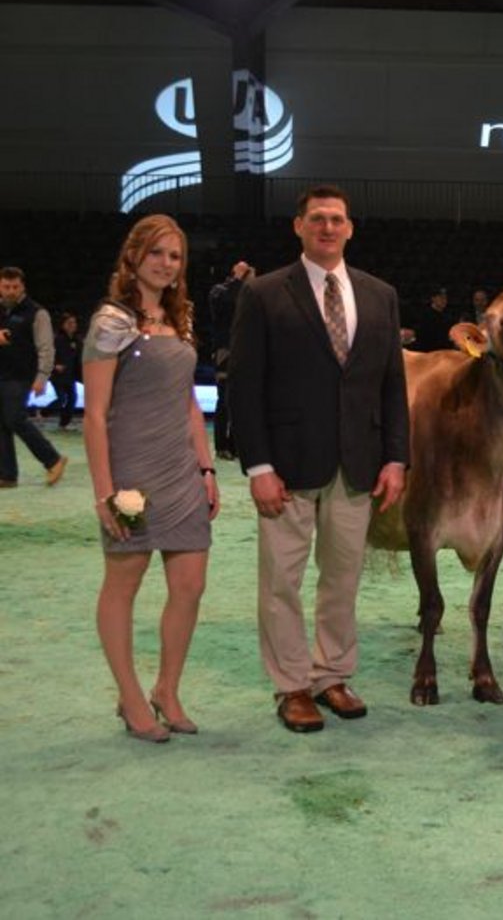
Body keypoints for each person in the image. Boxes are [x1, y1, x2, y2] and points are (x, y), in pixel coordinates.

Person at [229, 184, 409, 734]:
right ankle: (291, 687)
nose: (328, 228)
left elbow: (391, 388)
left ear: (350, 228)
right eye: (318, 219)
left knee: (342, 579)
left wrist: (396, 458)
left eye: (337, 219)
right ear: (299, 226)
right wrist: (258, 466)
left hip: (357, 464)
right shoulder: (263, 294)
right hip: (285, 467)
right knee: (281, 581)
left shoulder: (380, 295)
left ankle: (331, 674)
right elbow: (244, 385)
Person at [83, 215, 220, 742]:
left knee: (190, 585)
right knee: (124, 583)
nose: (167, 264)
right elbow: (95, 415)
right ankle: (132, 697)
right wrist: (104, 492)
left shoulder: (178, 318)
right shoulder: (111, 322)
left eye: (176, 256)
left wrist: (206, 468)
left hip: (182, 474)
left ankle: (167, 688)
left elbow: (189, 406)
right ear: (134, 256)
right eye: (158, 253)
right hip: (132, 476)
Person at [0, 266, 67, 488]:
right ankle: (7, 475)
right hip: (2, 374)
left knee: (15, 418)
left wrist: (42, 377)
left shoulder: (37, 313)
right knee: (2, 423)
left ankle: (53, 459)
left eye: (14, 287)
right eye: (6, 286)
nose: (10, 291)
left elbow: (46, 348)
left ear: (23, 287)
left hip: (21, 376)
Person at [208, 260, 253, 460]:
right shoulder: (219, 292)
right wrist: (237, 279)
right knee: (224, 400)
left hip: (246, 352)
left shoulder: (251, 295)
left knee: (243, 401)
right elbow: (225, 302)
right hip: (226, 351)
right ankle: (222, 446)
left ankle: (236, 445)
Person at [49, 312, 82, 430]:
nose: (73, 325)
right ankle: (44, 412)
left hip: (70, 375)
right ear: (63, 325)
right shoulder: (57, 339)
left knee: (73, 398)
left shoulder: (77, 340)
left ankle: (64, 424)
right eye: (69, 323)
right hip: (57, 375)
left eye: (74, 323)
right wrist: (54, 366)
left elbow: (79, 358)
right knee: (61, 398)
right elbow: (48, 354)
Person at [413, 286, 454, 352]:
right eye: (441, 297)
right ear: (433, 298)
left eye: (445, 298)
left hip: (444, 353)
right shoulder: (425, 315)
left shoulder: (448, 316)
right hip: (429, 353)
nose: (444, 300)